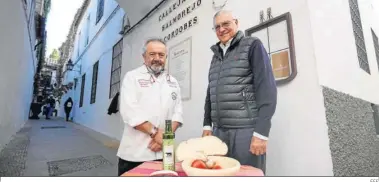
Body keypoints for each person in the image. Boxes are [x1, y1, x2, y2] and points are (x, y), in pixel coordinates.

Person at [202, 10, 277, 173]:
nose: (221, 29)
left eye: (226, 24)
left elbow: (267, 89)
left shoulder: (252, 45)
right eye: (217, 26)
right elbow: (211, 92)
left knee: (247, 175)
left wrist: (262, 132)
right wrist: (207, 124)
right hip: (218, 133)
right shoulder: (215, 56)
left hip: (246, 131)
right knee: (219, 175)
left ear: (236, 23)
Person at [117, 38, 184, 176]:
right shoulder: (132, 77)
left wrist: (164, 138)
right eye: (152, 54)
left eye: (161, 55)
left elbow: (177, 113)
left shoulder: (173, 82)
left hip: (165, 151)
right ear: (144, 56)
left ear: (166, 57)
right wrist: (155, 134)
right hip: (136, 153)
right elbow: (130, 111)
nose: (157, 58)